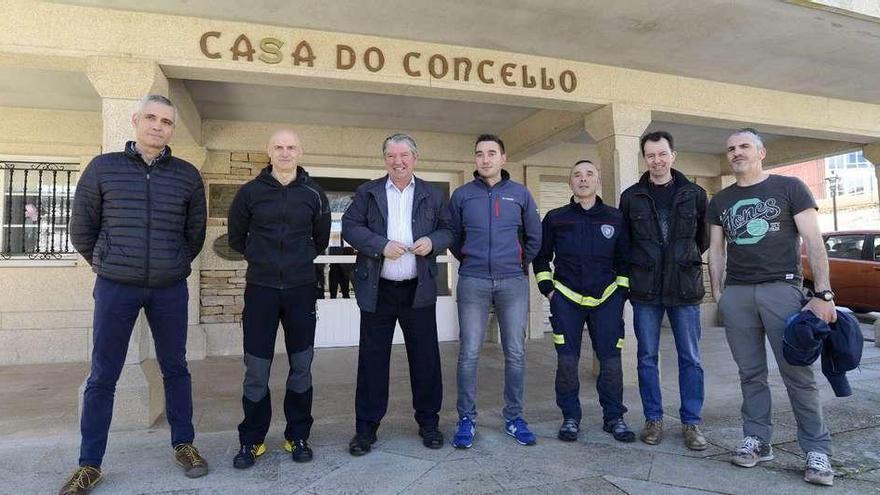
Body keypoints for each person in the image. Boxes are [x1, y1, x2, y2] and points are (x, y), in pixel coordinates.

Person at [64, 94, 208, 494]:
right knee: (103, 375)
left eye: (166, 121)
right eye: (151, 118)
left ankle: (185, 444)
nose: (158, 126)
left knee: (175, 367)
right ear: (135, 120)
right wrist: (107, 262)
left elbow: (194, 233)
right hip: (115, 287)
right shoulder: (103, 168)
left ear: (171, 129)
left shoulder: (186, 175)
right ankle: (89, 464)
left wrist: (174, 261)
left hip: (168, 287)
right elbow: (82, 228)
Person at [708, 128, 836, 487]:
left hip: (782, 289)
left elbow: (812, 239)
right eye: (731, 148)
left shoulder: (790, 187)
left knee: (797, 373)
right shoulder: (720, 200)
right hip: (738, 294)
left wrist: (823, 293)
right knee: (750, 374)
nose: (736, 152)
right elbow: (717, 249)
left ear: (761, 152)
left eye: (744, 146)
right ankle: (757, 439)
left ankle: (816, 449)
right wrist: (720, 294)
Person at [342, 133, 453, 456]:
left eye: (404, 155)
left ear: (415, 158)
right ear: (384, 159)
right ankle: (366, 429)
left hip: (418, 291)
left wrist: (433, 242)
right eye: (391, 156)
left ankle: (429, 423)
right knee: (372, 361)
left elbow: (450, 230)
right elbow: (350, 226)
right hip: (378, 291)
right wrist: (380, 245)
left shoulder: (432, 194)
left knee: (426, 359)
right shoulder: (368, 192)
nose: (398, 161)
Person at [227, 129, 331, 467]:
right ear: (268, 152)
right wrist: (264, 258)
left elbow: (320, 239)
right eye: (278, 147)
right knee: (256, 370)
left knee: (301, 367)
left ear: (300, 152)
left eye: (290, 147)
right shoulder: (250, 193)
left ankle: (297, 435)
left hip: (301, 290)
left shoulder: (314, 194)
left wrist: (295, 261)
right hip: (261, 290)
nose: (284, 153)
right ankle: (252, 440)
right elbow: (236, 237)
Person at [448, 134, 542, 448]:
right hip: (473, 280)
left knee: (515, 352)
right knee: (469, 353)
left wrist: (516, 263)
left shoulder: (520, 194)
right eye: (479, 154)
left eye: (491, 153)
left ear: (503, 157)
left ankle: (514, 418)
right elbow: (453, 237)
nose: (485, 159)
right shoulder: (462, 196)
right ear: (475, 159)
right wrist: (472, 260)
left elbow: (534, 237)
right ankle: (466, 419)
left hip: (512, 282)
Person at [534, 160, 635, 443]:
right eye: (576, 175)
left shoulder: (615, 217)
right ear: (570, 183)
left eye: (589, 174)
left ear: (598, 180)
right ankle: (570, 418)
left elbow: (625, 259)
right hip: (566, 299)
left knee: (611, 361)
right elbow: (541, 257)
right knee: (567, 362)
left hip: (607, 300)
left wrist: (620, 293)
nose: (583, 179)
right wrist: (548, 289)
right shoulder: (556, 218)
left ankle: (614, 417)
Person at [619, 131, 709, 450]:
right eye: (650, 155)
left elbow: (703, 240)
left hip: (684, 287)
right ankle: (653, 419)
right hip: (646, 290)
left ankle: (691, 423)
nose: (656, 161)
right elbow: (625, 243)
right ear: (645, 158)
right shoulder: (631, 196)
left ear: (674, 155)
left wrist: (680, 260)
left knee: (691, 357)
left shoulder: (695, 194)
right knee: (646, 357)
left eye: (662, 154)